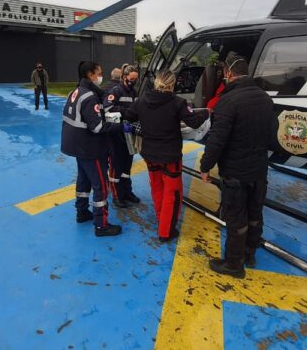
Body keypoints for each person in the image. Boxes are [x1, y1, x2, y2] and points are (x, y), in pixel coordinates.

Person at [199, 53, 274, 278]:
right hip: (259, 169)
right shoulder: (265, 98)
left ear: (229, 74)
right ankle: (249, 254)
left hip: (235, 172)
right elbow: (270, 134)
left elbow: (217, 140)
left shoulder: (228, 102)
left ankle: (233, 264)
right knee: (255, 214)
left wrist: (205, 166)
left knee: (236, 219)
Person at [124, 69, 208, 242]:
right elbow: (193, 122)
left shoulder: (142, 100)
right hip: (170, 156)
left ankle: (161, 218)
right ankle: (166, 231)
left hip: (149, 154)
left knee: (157, 187)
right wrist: (207, 112)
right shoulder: (177, 102)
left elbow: (129, 116)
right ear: (172, 84)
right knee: (173, 193)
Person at [61, 61, 123, 237]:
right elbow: (97, 127)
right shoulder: (89, 97)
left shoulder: (76, 92)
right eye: (99, 73)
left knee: (83, 181)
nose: (101, 77)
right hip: (91, 148)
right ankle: (101, 225)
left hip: (77, 146)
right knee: (101, 186)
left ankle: (82, 213)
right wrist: (119, 126)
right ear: (90, 75)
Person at [103, 64, 142, 208]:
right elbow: (107, 109)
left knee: (127, 165)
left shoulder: (135, 92)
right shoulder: (115, 91)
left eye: (136, 79)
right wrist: (126, 112)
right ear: (125, 77)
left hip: (129, 134)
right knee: (116, 166)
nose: (134, 82)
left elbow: (137, 109)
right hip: (116, 135)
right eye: (132, 79)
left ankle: (127, 192)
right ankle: (116, 195)